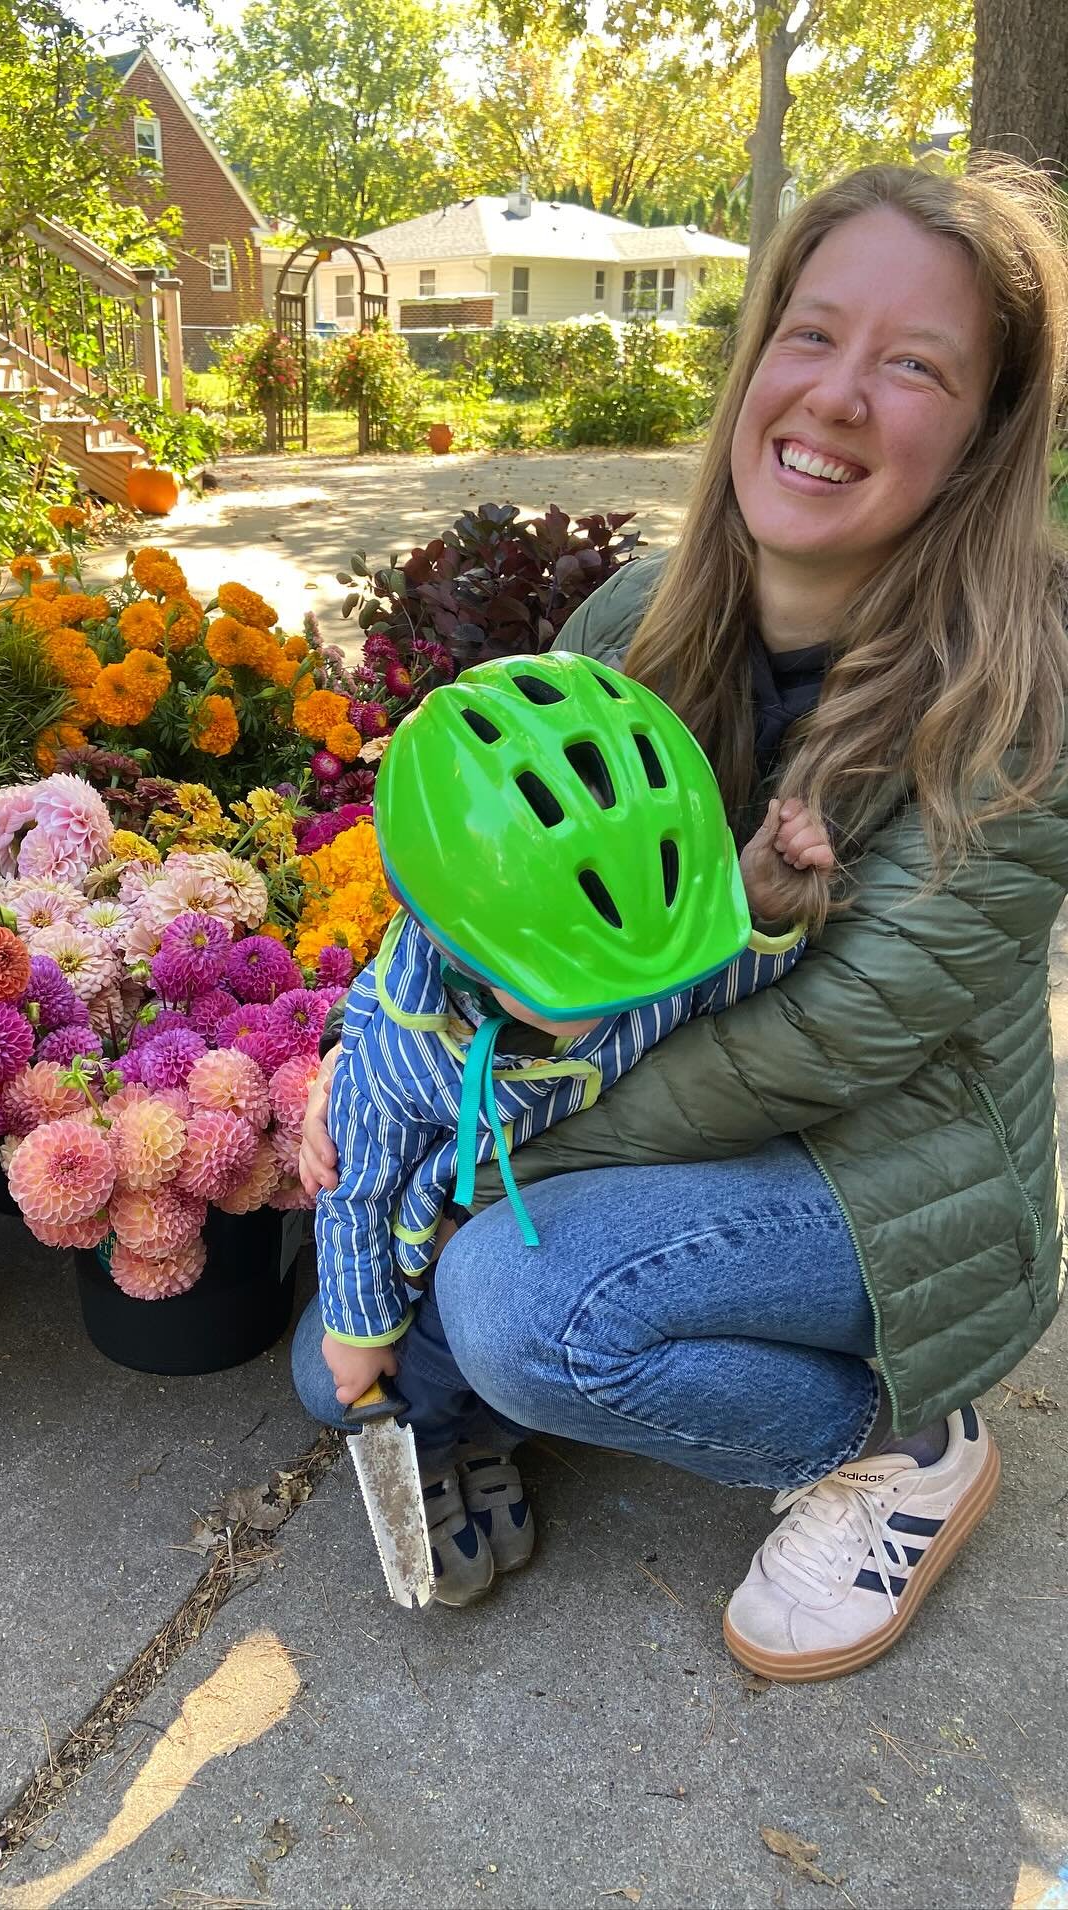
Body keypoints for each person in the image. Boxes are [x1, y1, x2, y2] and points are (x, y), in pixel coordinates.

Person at [295, 159, 1068, 1681]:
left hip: (895, 1160)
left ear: (985, 435)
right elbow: (486, 897)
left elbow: (819, 1043)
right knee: (344, 1362)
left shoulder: (1020, 699)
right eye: (814, 332)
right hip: (645, 1083)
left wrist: (498, 1140)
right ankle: (542, 1354)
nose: (839, 396)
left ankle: (902, 1439)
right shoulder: (633, 623)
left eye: (915, 364)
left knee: (520, 1305)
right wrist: (376, 1051)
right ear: (757, 356)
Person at [316, 650, 833, 1603]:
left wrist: (764, 913)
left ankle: (488, 1443)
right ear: (453, 935)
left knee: (508, 1356)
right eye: (576, 988)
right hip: (429, 1238)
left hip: (555, 1213)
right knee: (375, 1373)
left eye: (637, 982)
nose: (620, 1012)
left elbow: (718, 980)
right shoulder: (400, 1053)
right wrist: (359, 1326)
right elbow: (355, 1190)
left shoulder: (633, 963)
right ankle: (433, 1457)